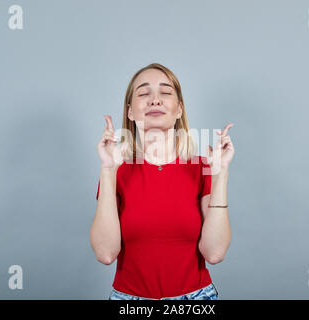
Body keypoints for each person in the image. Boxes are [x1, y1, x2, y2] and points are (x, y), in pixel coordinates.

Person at [90, 63, 234, 300]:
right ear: (130, 112)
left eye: (166, 93)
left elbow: (215, 253)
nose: (155, 100)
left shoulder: (201, 167)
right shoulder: (117, 170)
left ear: (179, 109)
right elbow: (105, 254)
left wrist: (220, 174)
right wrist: (107, 171)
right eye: (144, 93)